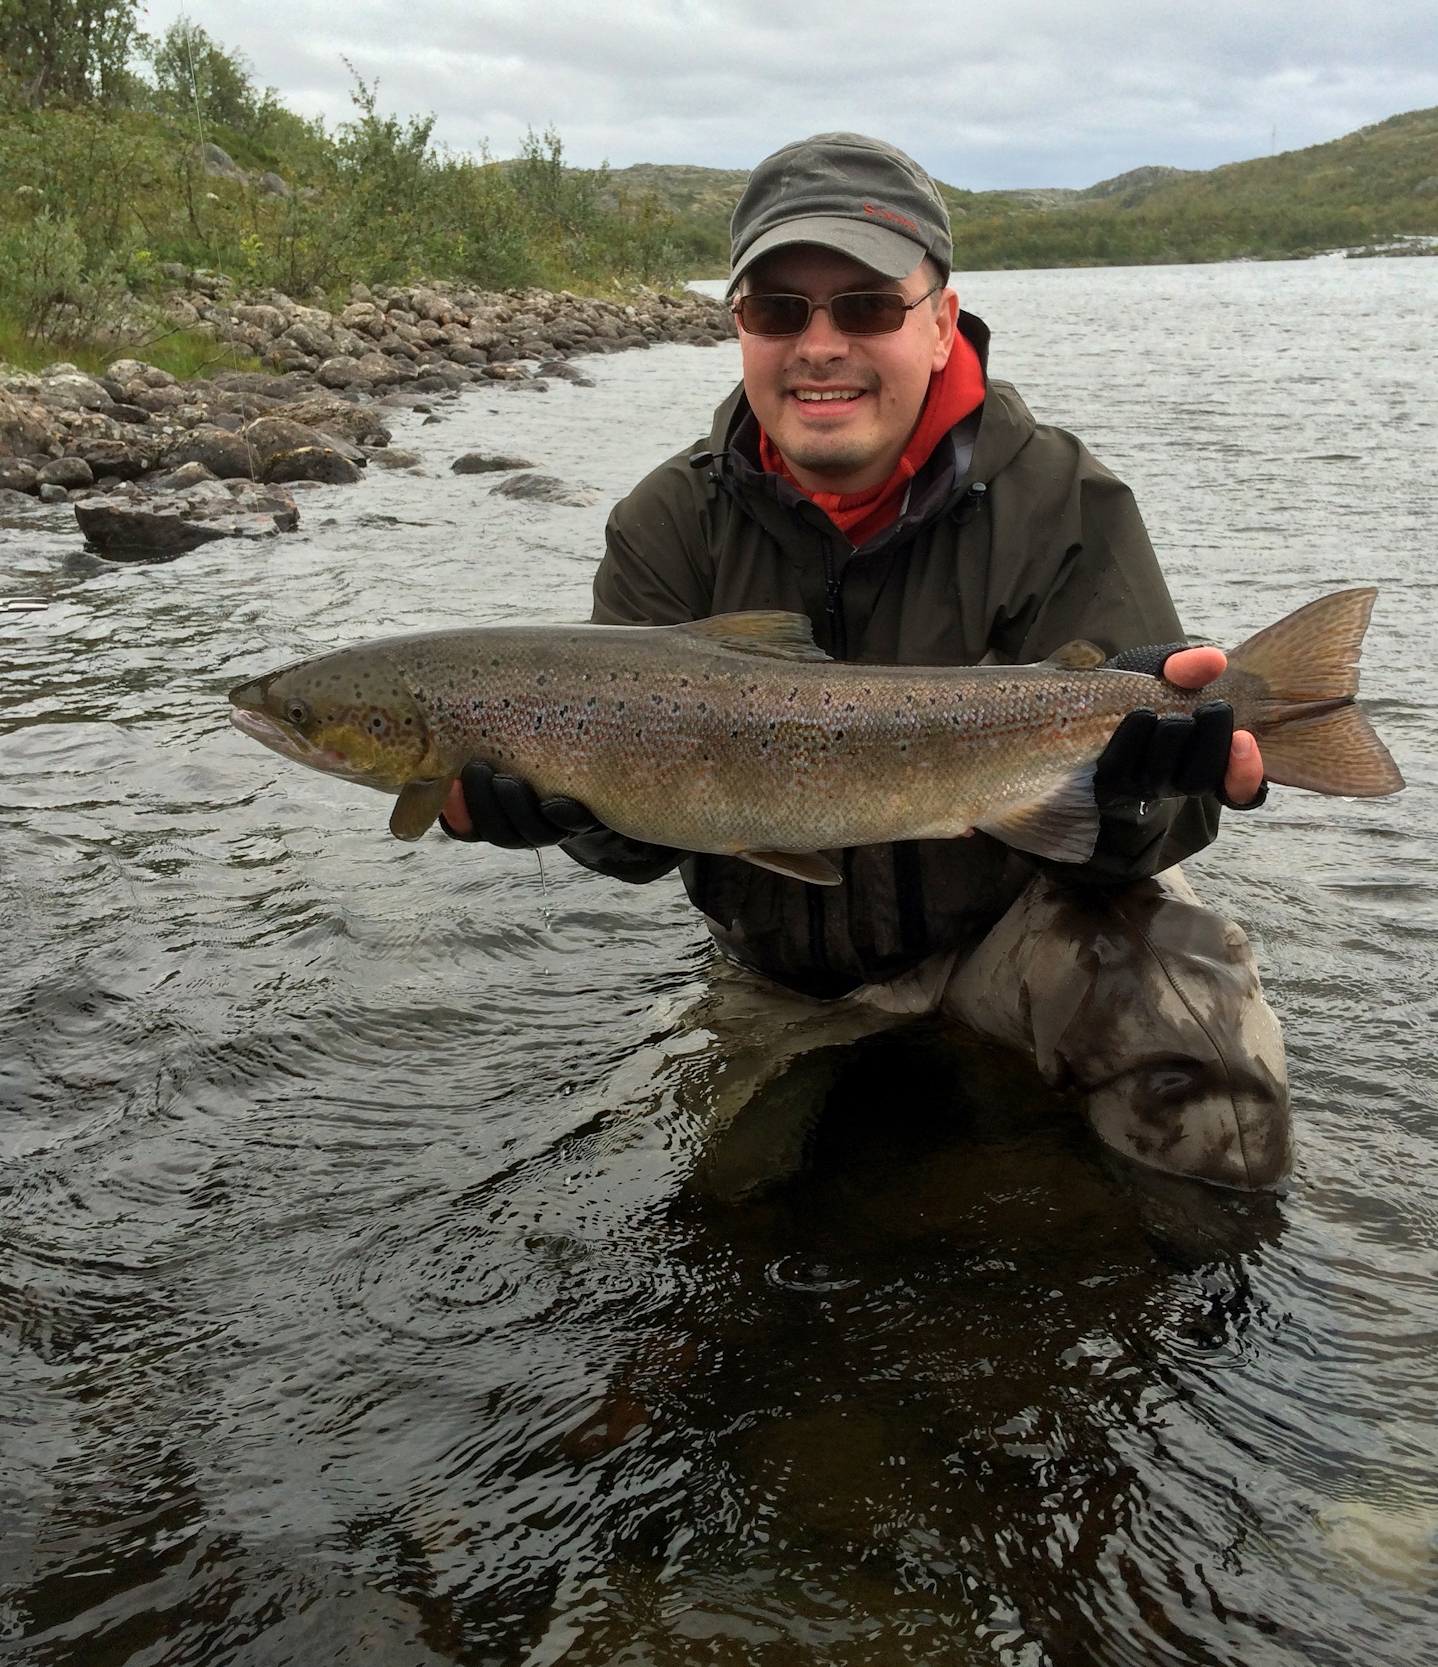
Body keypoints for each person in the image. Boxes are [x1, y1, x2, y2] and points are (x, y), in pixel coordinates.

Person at [442, 133, 1290, 1192]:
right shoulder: (668, 525)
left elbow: (1160, 831)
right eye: (779, 309)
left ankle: (1208, 1326)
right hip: (780, 976)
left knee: (1210, 1087)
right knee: (732, 1225)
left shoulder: (1063, 501)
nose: (820, 343)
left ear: (941, 321)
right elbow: (643, 849)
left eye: (867, 307)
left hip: (1019, 931)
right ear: (741, 329)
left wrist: (1131, 800)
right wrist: (571, 812)